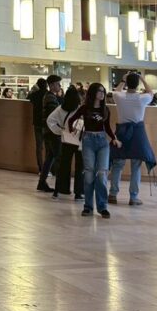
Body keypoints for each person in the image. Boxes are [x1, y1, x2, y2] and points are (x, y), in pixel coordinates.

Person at [68, 82, 118, 218]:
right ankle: (88, 207)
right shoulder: (85, 108)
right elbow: (71, 119)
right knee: (89, 175)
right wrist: (71, 129)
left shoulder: (105, 109)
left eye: (103, 91)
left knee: (102, 175)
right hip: (88, 141)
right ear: (93, 93)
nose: (102, 94)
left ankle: (102, 207)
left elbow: (107, 127)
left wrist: (114, 138)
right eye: (99, 91)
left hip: (102, 142)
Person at [109, 72, 155, 206]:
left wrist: (123, 80)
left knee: (118, 164)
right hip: (138, 133)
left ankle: (112, 194)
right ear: (138, 84)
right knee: (136, 166)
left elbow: (116, 91)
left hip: (122, 132)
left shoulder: (119, 97)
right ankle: (133, 197)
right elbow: (151, 92)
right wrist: (142, 79)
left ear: (126, 83)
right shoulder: (142, 98)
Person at [47, 86, 84, 202]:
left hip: (66, 140)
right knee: (80, 167)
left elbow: (50, 120)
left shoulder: (60, 109)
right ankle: (78, 193)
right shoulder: (80, 109)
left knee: (64, 166)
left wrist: (60, 131)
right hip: (79, 141)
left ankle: (61, 189)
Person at [36, 76, 63, 192]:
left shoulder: (49, 96)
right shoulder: (51, 98)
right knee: (58, 157)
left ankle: (42, 182)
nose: (60, 86)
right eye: (58, 84)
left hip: (48, 131)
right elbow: (53, 116)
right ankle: (60, 186)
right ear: (51, 85)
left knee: (50, 157)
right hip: (52, 132)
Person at [28, 77, 49, 174]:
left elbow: (29, 99)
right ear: (46, 85)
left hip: (37, 122)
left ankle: (40, 168)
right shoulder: (49, 95)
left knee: (39, 147)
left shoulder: (34, 95)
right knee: (48, 147)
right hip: (46, 123)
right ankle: (47, 169)